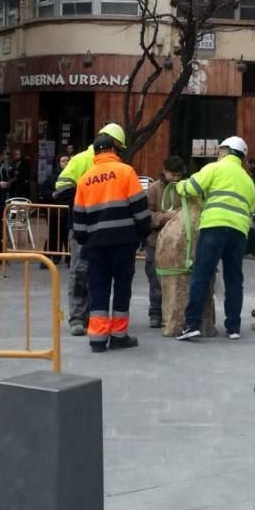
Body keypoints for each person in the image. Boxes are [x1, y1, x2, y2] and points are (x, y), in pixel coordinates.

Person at [72, 130, 151, 352]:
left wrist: (84, 241)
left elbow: (78, 219)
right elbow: (140, 210)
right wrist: (142, 233)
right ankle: (118, 336)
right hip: (123, 243)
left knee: (98, 288)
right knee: (122, 287)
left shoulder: (85, 179)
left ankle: (97, 339)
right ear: (113, 150)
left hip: (96, 245)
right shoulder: (126, 172)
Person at [175, 135, 255, 342]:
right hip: (238, 233)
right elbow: (251, 209)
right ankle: (233, 327)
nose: (218, 153)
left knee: (201, 274)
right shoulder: (248, 181)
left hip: (214, 227)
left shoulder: (215, 168)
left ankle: (191, 324)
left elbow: (191, 187)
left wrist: (177, 186)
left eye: (220, 150)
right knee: (234, 279)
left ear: (226, 151)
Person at [54, 123, 127, 336]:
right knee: (80, 271)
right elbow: (61, 187)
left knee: (93, 272)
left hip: (96, 227)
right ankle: (78, 317)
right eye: (118, 147)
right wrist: (86, 193)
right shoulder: (81, 160)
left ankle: (92, 316)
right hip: (84, 227)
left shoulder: (115, 164)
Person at [145, 155, 186, 328]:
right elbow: (146, 214)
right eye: (172, 175)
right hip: (156, 240)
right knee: (155, 277)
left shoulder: (185, 188)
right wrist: (162, 218)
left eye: (178, 175)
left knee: (177, 279)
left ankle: (173, 312)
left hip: (178, 242)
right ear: (164, 171)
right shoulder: (154, 188)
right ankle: (155, 311)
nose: (175, 179)